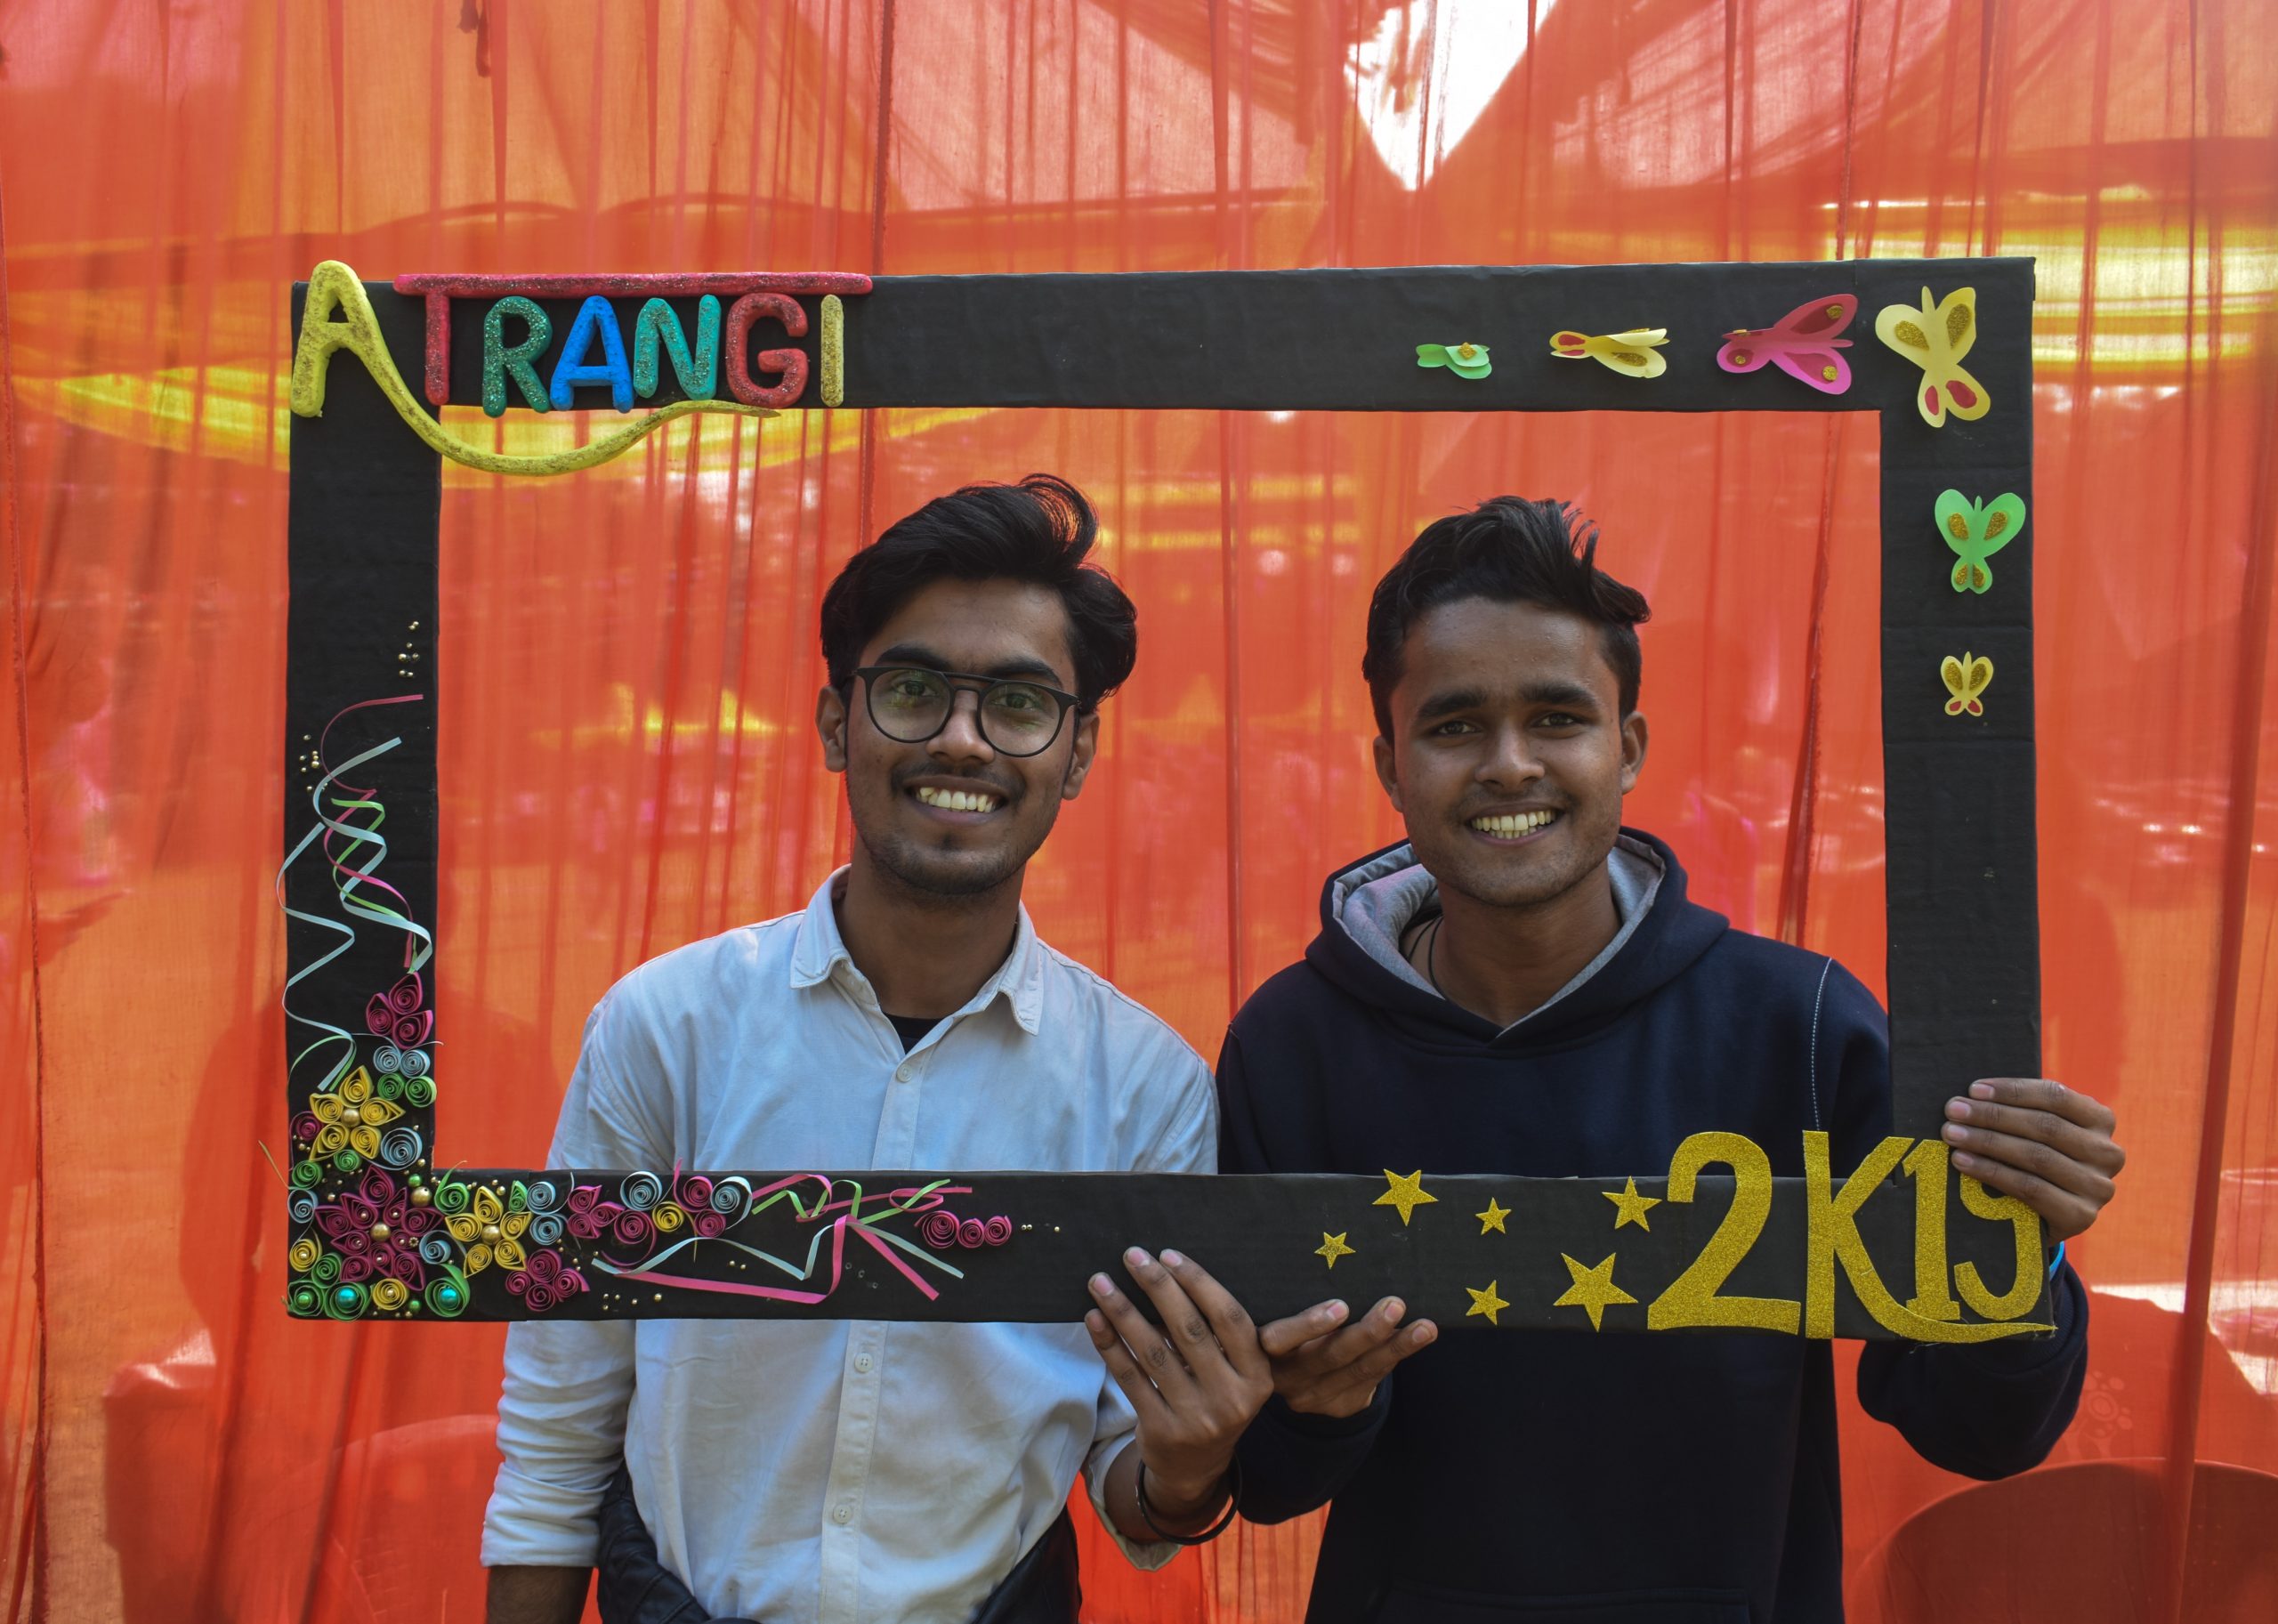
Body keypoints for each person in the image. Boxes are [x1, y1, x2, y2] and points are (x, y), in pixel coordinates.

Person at [1222, 497, 2125, 1622]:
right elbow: (1263, 1476)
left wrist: (2021, 1242)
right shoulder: (1290, 1044)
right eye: (1454, 726)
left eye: (1558, 717)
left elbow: (1982, 1429)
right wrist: (1318, 1408)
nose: (1510, 764)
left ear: (1629, 749)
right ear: (1389, 765)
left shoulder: (1804, 1028)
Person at [482, 476, 1326, 1624]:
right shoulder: (666, 1026)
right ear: (838, 722)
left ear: (1078, 751)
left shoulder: (1146, 1089)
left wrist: (1189, 1465)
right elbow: (558, 1424)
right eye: (915, 691)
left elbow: (1138, 1483)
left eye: (1020, 703)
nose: (963, 741)